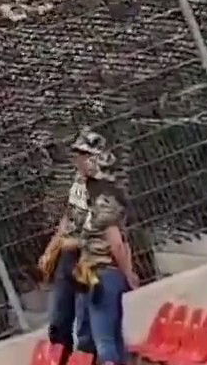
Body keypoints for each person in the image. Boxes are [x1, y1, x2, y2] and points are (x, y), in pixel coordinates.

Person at [38, 129, 110, 361]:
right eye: (78, 154)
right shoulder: (79, 181)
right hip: (68, 255)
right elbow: (68, 217)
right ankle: (59, 355)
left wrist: (75, 242)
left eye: (85, 154)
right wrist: (51, 249)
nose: (79, 159)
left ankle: (88, 358)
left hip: (90, 258)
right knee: (59, 313)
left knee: (85, 316)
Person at [73, 145, 138, 365]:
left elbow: (116, 243)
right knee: (112, 335)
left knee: (104, 338)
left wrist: (128, 273)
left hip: (100, 274)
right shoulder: (103, 201)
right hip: (99, 274)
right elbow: (120, 243)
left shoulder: (100, 203)